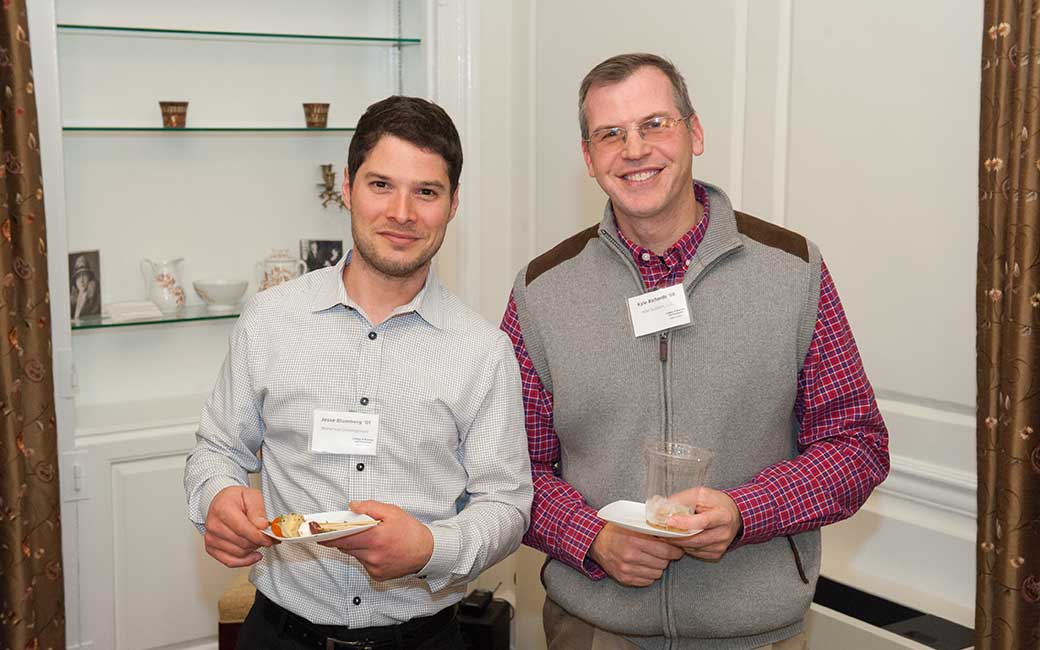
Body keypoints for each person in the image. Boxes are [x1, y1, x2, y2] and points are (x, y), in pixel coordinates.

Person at [501, 53, 890, 649]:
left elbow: (857, 445)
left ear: (695, 132)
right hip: (595, 628)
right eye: (611, 134)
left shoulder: (792, 270)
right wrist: (592, 538)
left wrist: (744, 513)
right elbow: (512, 467)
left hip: (755, 633)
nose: (635, 150)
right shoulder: (542, 291)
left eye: (655, 124)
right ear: (589, 158)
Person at [185, 95, 533, 650]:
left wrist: (429, 549)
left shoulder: (483, 351)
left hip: (425, 637)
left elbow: (507, 503)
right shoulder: (271, 319)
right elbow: (218, 449)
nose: (402, 212)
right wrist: (217, 498)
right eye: (380, 185)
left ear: (453, 202)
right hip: (280, 634)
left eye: (426, 191)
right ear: (347, 187)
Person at [69, 254, 99, 321]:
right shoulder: (72, 300)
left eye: (84, 275)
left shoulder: (94, 300)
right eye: (78, 276)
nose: (81, 280)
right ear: (75, 280)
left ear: (89, 277)